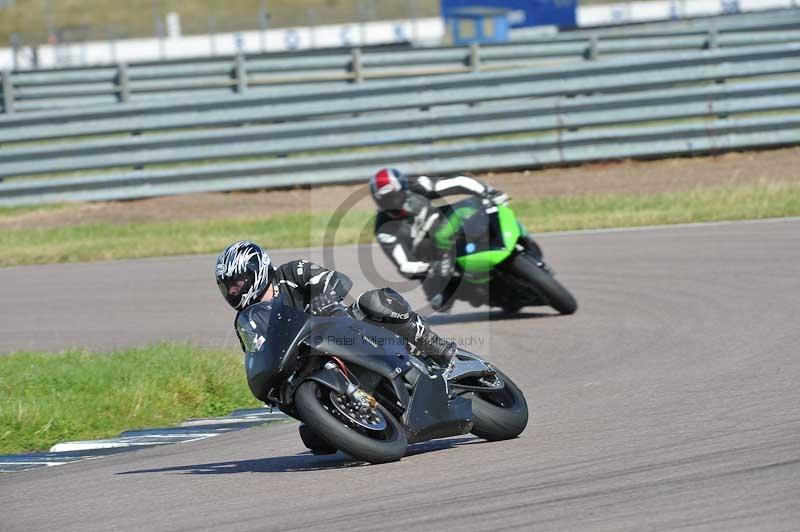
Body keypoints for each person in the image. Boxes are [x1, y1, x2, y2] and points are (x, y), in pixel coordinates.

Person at [215, 240, 456, 454]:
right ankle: (360, 416)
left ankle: (437, 348)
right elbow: (258, 352)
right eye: (228, 287)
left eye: (237, 283)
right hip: (311, 362)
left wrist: (325, 297)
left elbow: (336, 279)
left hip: (346, 329)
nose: (233, 291)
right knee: (315, 440)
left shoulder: (292, 271)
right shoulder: (248, 320)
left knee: (374, 301)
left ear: (256, 271)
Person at [369, 168, 509, 311]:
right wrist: (431, 268)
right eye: (386, 200)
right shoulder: (383, 228)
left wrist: (489, 192)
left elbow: (460, 182)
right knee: (440, 303)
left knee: (473, 206)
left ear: (403, 189)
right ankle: (478, 291)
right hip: (433, 260)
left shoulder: (419, 186)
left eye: (394, 197)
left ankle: (507, 240)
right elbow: (404, 264)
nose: (393, 203)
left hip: (451, 228)